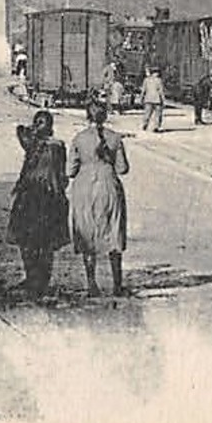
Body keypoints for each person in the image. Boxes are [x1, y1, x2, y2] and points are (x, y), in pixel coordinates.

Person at [68, 98, 130, 296]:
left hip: (84, 188)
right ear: (106, 116)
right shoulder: (115, 138)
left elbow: (70, 170)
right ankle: (117, 286)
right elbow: (122, 168)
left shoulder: (79, 139)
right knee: (113, 232)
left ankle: (92, 285)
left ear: (87, 116)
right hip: (109, 185)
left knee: (87, 234)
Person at [7, 110, 69, 297]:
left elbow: (20, 130)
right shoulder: (58, 146)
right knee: (45, 241)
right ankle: (41, 280)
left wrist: (33, 130)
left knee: (28, 240)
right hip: (51, 197)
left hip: (31, 196)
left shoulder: (34, 144)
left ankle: (33, 278)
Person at [140, 67, 166, 133]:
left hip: (148, 99)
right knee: (157, 114)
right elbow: (161, 91)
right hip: (157, 100)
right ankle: (156, 127)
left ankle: (145, 124)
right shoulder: (159, 80)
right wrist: (163, 100)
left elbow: (143, 90)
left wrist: (141, 98)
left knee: (147, 113)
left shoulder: (146, 80)